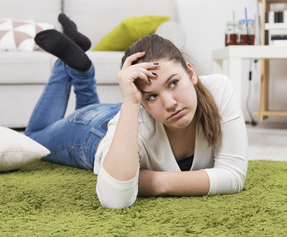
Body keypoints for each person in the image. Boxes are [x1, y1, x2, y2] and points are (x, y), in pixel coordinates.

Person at [25, 14, 248, 209]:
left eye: (173, 83)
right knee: (34, 138)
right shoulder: (135, 109)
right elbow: (115, 199)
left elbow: (234, 176)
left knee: (89, 111)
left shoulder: (217, 89)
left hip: (126, 116)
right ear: (140, 100)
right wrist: (131, 104)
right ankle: (69, 66)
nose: (170, 103)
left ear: (190, 73)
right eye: (151, 95)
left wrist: (153, 182)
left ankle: (80, 70)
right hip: (95, 133)